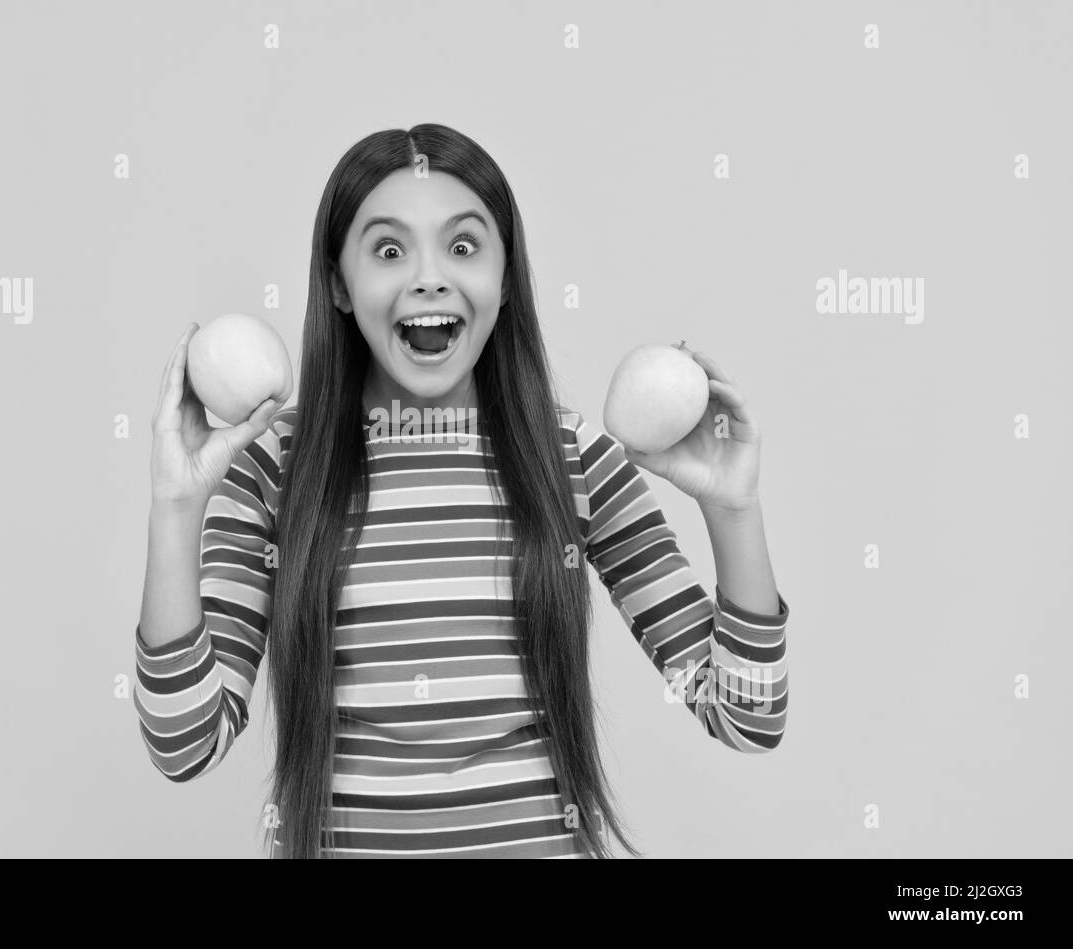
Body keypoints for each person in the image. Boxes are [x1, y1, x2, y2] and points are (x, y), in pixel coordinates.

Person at [134, 123, 790, 858]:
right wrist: (175, 504)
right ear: (338, 285)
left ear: (505, 279)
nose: (428, 277)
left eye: (464, 245)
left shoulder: (570, 456)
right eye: (388, 250)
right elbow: (183, 743)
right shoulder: (273, 469)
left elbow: (748, 715)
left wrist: (732, 510)